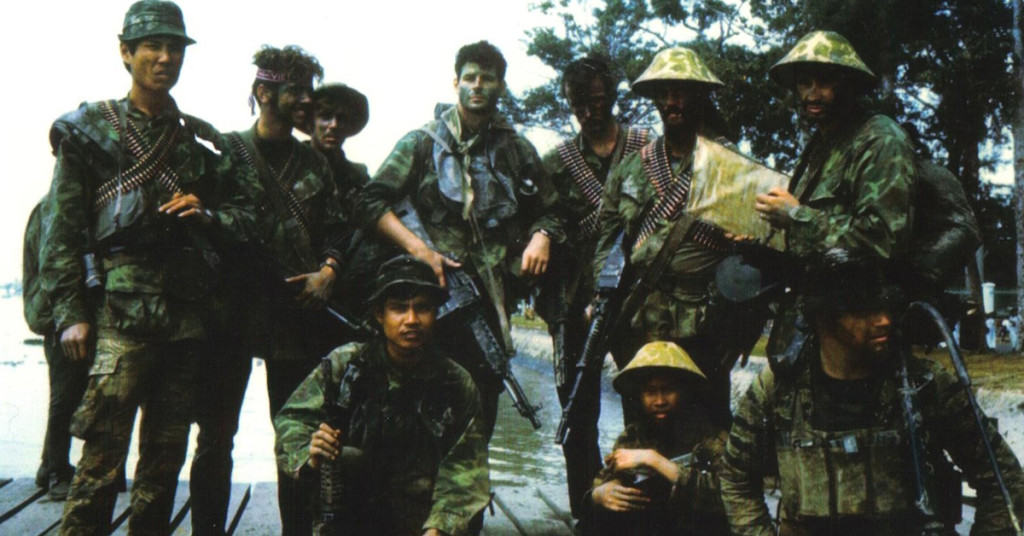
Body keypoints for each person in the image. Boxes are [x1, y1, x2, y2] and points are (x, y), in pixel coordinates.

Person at [42, 1, 257, 533]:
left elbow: (246, 217)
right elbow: (61, 231)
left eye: (174, 48)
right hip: (117, 317)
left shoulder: (197, 143)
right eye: (152, 47)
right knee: (99, 462)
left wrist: (208, 215)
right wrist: (71, 313)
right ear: (125, 52)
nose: (165, 58)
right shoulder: (89, 133)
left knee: (164, 462)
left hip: (185, 320)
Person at [719, 250, 1024, 535]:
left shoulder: (924, 385)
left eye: (886, 307)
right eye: (863, 311)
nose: (884, 320)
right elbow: (735, 475)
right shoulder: (780, 389)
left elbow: (1004, 480)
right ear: (823, 317)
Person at [354, 40, 564, 438]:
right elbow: (369, 201)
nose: (478, 85)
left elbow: (551, 210)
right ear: (456, 83)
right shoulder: (422, 142)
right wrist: (420, 250)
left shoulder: (517, 150)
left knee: (480, 407)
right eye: (470, 78)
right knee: (415, 413)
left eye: (487, 78)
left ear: (501, 86)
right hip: (425, 298)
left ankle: (471, 478)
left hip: (489, 298)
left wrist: (541, 235)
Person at [190, 45, 349, 535]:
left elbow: (337, 231)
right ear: (263, 92)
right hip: (231, 315)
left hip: (296, 315)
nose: (306, 101)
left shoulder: (314, 163)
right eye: (295, 91)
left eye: (308, 91)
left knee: (295, 439)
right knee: (215, 439)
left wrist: (328, 272)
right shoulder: (225, 153)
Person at [274, 255, 490, 536]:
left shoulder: (456, 382)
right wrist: (311, 454)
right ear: (380, 315)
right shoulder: (345, 365)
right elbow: (291, 421)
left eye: (422, 308)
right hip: (355, 511)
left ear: (435, 314)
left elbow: (466, 471)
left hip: (424, 513)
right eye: (399, 308)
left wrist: (439, 528)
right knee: (347, 460)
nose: (411, 320)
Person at [590, 47, 748, 429]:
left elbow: (751, 253)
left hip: (703, 325)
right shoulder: (633, 167)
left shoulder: (729, 166)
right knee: (641, 431)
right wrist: (603, 297)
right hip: (639, 322)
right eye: (664, 93)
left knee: (707, 431)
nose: (672, 101)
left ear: (700, 96)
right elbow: (607, 241)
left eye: (681, 92)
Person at [753, 31, 914, 358]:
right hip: (814, 320)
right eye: (804, 83)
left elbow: (884, 240)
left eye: (825, 82)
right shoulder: (822, 145)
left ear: (849, 84)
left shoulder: (880, 140)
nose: (813, 94)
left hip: (858, 326)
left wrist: (795, 216)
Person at [537, 52, 649, 521]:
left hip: (639, 299)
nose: (588, 111)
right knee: (578, 415)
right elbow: (539, 215)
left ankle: (644, 506)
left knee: (646, 405)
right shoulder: (557, 163)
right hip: (575, 302)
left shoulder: (646, 149)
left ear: (613, 96)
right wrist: (543, 233)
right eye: (578, 104)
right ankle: (588, 509)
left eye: (597, 100)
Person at [583, 341, 729, 536]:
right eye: (650, 392)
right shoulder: (633, 436)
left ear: (685, 391)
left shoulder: (711, 436)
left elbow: (727, 496)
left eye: (668, 390)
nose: (660, 401)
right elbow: (604, 479)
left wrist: (655, 461)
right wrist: (601, 493)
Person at [23, 198, 88, 501]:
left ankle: (48, 464)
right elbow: (52, 264)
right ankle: (57, 472)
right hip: (57, 315)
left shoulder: (55, 203)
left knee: (67, 392)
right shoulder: (55, 206)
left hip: (59, 312)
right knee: (65, 394)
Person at [309, 83, 371, 216]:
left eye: (342, 119)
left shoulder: (358, 175)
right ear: (311, 122)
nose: (334, 125)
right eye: (326, 116)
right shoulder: (292, 165)